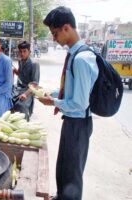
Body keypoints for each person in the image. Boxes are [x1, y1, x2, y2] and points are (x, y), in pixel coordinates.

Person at [38, 7, 99, 200]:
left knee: (72, 177)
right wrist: (52, 93)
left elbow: (79, 103)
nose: (54, 39)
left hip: (78, 124)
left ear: (66, 28)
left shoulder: (81, 59)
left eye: (55, 34)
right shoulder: (74, 54)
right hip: (72, 122)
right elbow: (71, 92)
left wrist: (54, 101)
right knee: (63, 170)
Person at [12, 41, 40, 121]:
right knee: (7, 100)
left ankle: (25, 125)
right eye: (20, 51)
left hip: (28, 90)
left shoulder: (34, 64)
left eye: (24, 51)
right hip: (18, 89)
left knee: (20, 105)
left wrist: (25, 94)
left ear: (29, 52)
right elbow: (21, 74)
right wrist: (15, 70)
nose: (22, 54)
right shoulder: (20, 61)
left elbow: (35, 83)